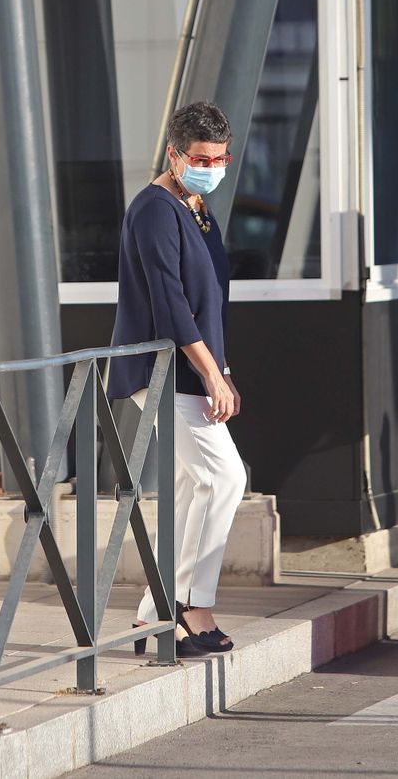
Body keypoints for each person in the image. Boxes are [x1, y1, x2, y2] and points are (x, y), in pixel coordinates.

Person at [107, 101, 246, 656]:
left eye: (219, 159)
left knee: (194, 486)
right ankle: (189, 606)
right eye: (199, 158)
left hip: (191, 369)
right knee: (225, 477)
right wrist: (213, 375)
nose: (210, 167)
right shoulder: (155, 209)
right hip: (160, 369)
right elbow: (171, 304)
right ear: (173, 153)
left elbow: (210, 301)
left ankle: (151, 614)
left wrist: (223, 373)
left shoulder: (196, 207)